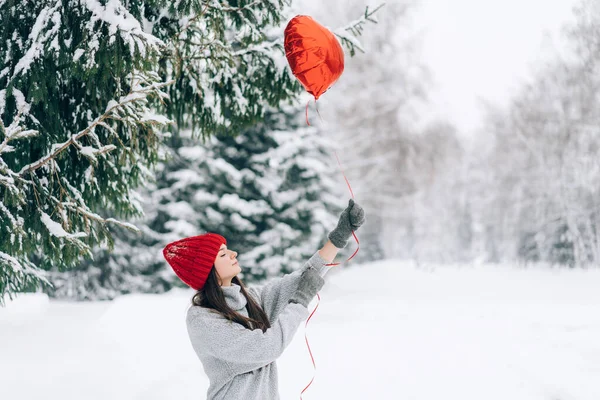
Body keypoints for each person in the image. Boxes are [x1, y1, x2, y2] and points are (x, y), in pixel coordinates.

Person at [163, 199, 366, 400]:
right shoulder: (202, 319)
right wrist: (299, 303)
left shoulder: (250, 299)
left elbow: (300, 279)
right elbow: (265, 347)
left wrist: (339, 236)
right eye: (223, 254)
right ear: (208, 272)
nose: (234, 253)